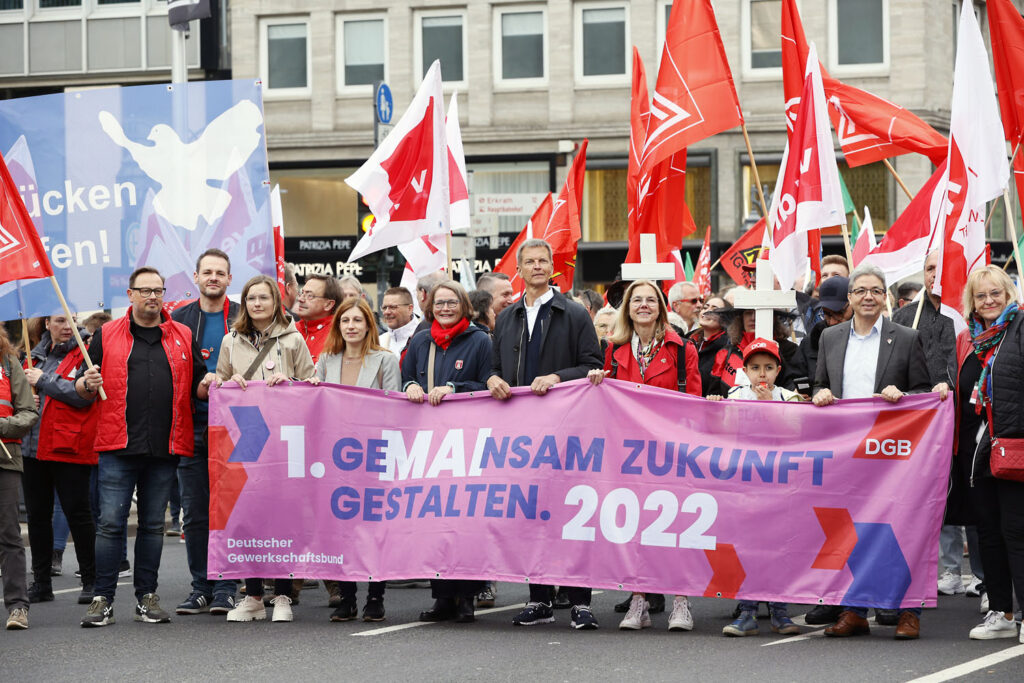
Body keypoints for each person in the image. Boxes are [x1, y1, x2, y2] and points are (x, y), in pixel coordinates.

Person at [75, 267, 219, 628]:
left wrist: (210, 383)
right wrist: (86, 384)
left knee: (154, 525)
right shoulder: (106, 334)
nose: (153, 297)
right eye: (146, 291)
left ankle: (146, 598)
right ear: (130, 294)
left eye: (158, 290)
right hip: (117, 445)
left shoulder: (182, 335)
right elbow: (81, 388)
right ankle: (102, 599)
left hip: (165, 447)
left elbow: (198, 384)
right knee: (110, 525)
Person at [487, 238, 604, 629]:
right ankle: (538, 598)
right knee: (530, 516)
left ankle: (580, 601)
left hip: (566, 430)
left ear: (553, 266)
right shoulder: (506, 317)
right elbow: (494, 367)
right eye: (530, 261)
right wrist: (492, 379)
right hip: (521, 434)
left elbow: (592, 364)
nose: (537, 266)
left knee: (572, 512)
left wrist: (556, 376)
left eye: (543, 261)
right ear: (518, 269)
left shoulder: (573, 313)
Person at [812, 263, 931, 639]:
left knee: (902, 526)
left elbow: (925, 395)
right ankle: (855, 609)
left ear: (886, 298)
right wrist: (819, 395)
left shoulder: (907, 338)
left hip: (893, 453)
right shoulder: (830, 338)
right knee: (851, 527)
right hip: (846, 452)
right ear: (848, 298)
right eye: (860, 290)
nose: (867, 297)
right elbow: (818, 385)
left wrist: (905, 397)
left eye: (875, 290)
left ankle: (907, 611)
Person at [587, 280, 701, 632]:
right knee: (635, 525)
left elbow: (694, 403)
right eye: (637, 300)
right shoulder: (613, 351)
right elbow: (604, 403)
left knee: (675, 526)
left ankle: (681, 602)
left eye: (651, 300)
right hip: (629, 453)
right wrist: (595, 381)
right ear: (627, 308)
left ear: (661, 307)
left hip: (671, 450)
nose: (643, 306)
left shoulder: (683, 350)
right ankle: (639, 601)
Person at [215, 274, 315, 623]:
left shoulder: (293, 339)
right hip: (247, 436)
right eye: (251, 298)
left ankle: (284, 595)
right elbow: (219, 384)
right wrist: (228, 382)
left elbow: (311, 384)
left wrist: (291, 383)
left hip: (284, 438)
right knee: (248, 517)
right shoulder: (231, 340)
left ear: (276, 302)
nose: (257, 304)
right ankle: (254, 594)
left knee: (283, 517)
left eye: (264, 298)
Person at [402, 280, 492, 624]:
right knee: (434, 520)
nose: (445, 308)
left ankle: (466, 596)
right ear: (430, 308)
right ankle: (441, 595)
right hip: (429, 442)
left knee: (465, 519)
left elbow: (487, 382)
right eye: (439, 303)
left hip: (467, 441)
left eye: (451, 302)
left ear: (463, 304)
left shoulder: (480, 340)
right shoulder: (421, 339)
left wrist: (454, 389)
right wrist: (410, 385)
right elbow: (407, 376)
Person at [308, 297, 400, 623]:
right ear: (338, 326)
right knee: (341, 530)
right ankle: (346, 597)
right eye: (345, 321)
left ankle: (375, 595)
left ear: (368, 326)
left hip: (373, 455)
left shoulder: (385, 360)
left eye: (357, 321)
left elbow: (393, 408)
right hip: (336, 457)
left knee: (375, 529)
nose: (351, 326)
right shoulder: (327, 360)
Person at [946, 266, 1024, 641]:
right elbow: (958, 388)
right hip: (976, 457)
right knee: (989, 533)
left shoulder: (1021, 329)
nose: (989, 301)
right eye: (981, 296)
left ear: (1008, 294)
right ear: (971, 302)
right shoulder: (967, 340)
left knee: (1017, 532)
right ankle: (1002, 612)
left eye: (996, 293)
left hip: (1015, 449)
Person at [892, 251, 974, 601]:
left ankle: (981, 577)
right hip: (919, 421)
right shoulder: (905, 317)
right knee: (934, 497)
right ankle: (950, 570)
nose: (935, 275)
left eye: (942, 269)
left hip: (962, 420)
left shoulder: (968, 316)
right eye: (929, 269)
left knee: (966, 494)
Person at [707, 338, 802, 636]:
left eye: (769, 368)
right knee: (746, 546)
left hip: (779, 483)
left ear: (778, 370)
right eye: (756, 368)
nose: (762, 374)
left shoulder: (788, 397)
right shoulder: (735, 394)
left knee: (778, 546)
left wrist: (768, 404)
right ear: (745, 370)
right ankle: (747, 611)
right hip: (746, 483)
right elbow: (726, 431)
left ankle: (780, 612)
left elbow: (796, 432)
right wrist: (714, 408)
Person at [170, 249, 241, 616]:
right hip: (192, 424)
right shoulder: (178, 319)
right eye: (207, 272)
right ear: (195, 278)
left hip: (237, 428)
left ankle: (227, 585)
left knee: (227, 509)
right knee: (195, 512)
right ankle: (201, 585)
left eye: (220, 273)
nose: (213, 277)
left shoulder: (244, 315)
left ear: (230, 279)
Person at [21, 312, 98, 606]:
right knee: (38, 518)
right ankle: (41, 582)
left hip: (69, 447)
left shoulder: (86, 353)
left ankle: (91, 580)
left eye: (72, 320)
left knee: (79, 516)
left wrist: (45, 381)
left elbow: (83, 395)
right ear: (46, 325)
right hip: (32, 448)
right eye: (60, 321)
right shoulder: (31, 355)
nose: (69, 327)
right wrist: (28, 400)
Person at [0, 326, 39, 630]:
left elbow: (28, 413)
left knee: (9, 535)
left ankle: (17, 606)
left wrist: (2, 425)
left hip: (5, 460)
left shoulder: (8, 364)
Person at [799, 276, 853, 383]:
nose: (832, 321)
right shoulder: (810, 342)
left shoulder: (874, 337)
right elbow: (791, 379)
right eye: (827, 314)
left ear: (853, 303)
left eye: (839, 313)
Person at [687, 297, 731, 396]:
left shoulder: (728, 347)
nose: (707, 311)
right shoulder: (687, 339)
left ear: (725, 318)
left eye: (714, 309)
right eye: (705, 307)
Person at [295, 274, 343, 364]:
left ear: (328, 304)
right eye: (302, 293)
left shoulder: (340, 334)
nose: (300, 299)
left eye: (310, 295)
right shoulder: (291, 330)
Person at [379, 287, 420, 358]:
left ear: (409, 309)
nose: (387, 312)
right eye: (384, 308)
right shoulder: (379, 341)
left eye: (393, 307)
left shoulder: (423, 338)